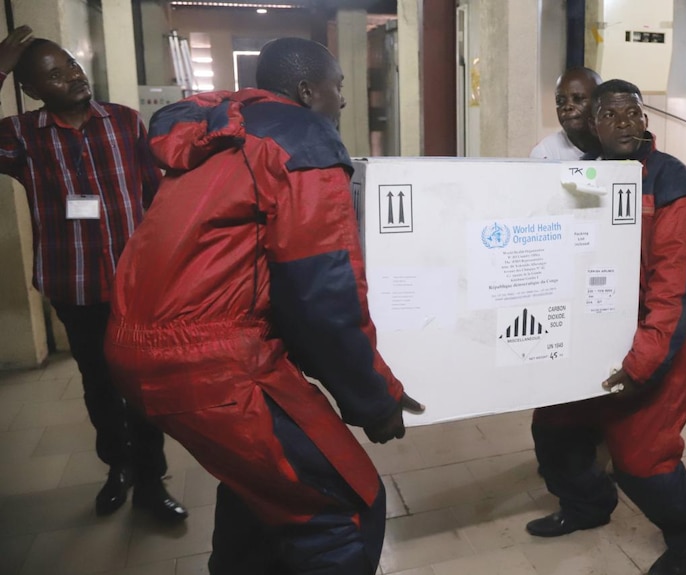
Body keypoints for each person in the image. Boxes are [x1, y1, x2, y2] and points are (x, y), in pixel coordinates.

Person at [103, 37, 424, 574]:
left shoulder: (219, 129)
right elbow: (320, 294)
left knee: (265, 491)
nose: (342, 101)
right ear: (306, 90)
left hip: (141, 344)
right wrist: (374, 401)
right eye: (337, 87)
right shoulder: (303, 141)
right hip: (214, 361)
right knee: (343, 507)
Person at [525, 79, 686, 575]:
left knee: (641, 462)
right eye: (612, 115)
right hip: (591, 341)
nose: (627, 123)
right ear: (594, 126)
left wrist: (640, 365)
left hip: (658, 346)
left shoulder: (677, 189)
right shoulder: (586, 178)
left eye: (634, 113)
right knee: (554, 432)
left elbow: (675, 296)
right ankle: (588, 506)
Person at [0, 26, 186, 522]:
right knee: (99, 384)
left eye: (73, 66)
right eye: (55, 76)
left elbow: (154, 195)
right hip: (75, 284)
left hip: (135, 284)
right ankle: (117, 467)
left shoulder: (125, 122)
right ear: (34, 92)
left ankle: (151, 481)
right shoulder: (22, 136)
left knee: (142, 385)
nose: (73, 78)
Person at [530, 66, 602, 160]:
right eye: (560, 101)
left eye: (578, 99)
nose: (567, 107)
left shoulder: (616, 143)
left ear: (600, 102)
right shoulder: (545, 153)